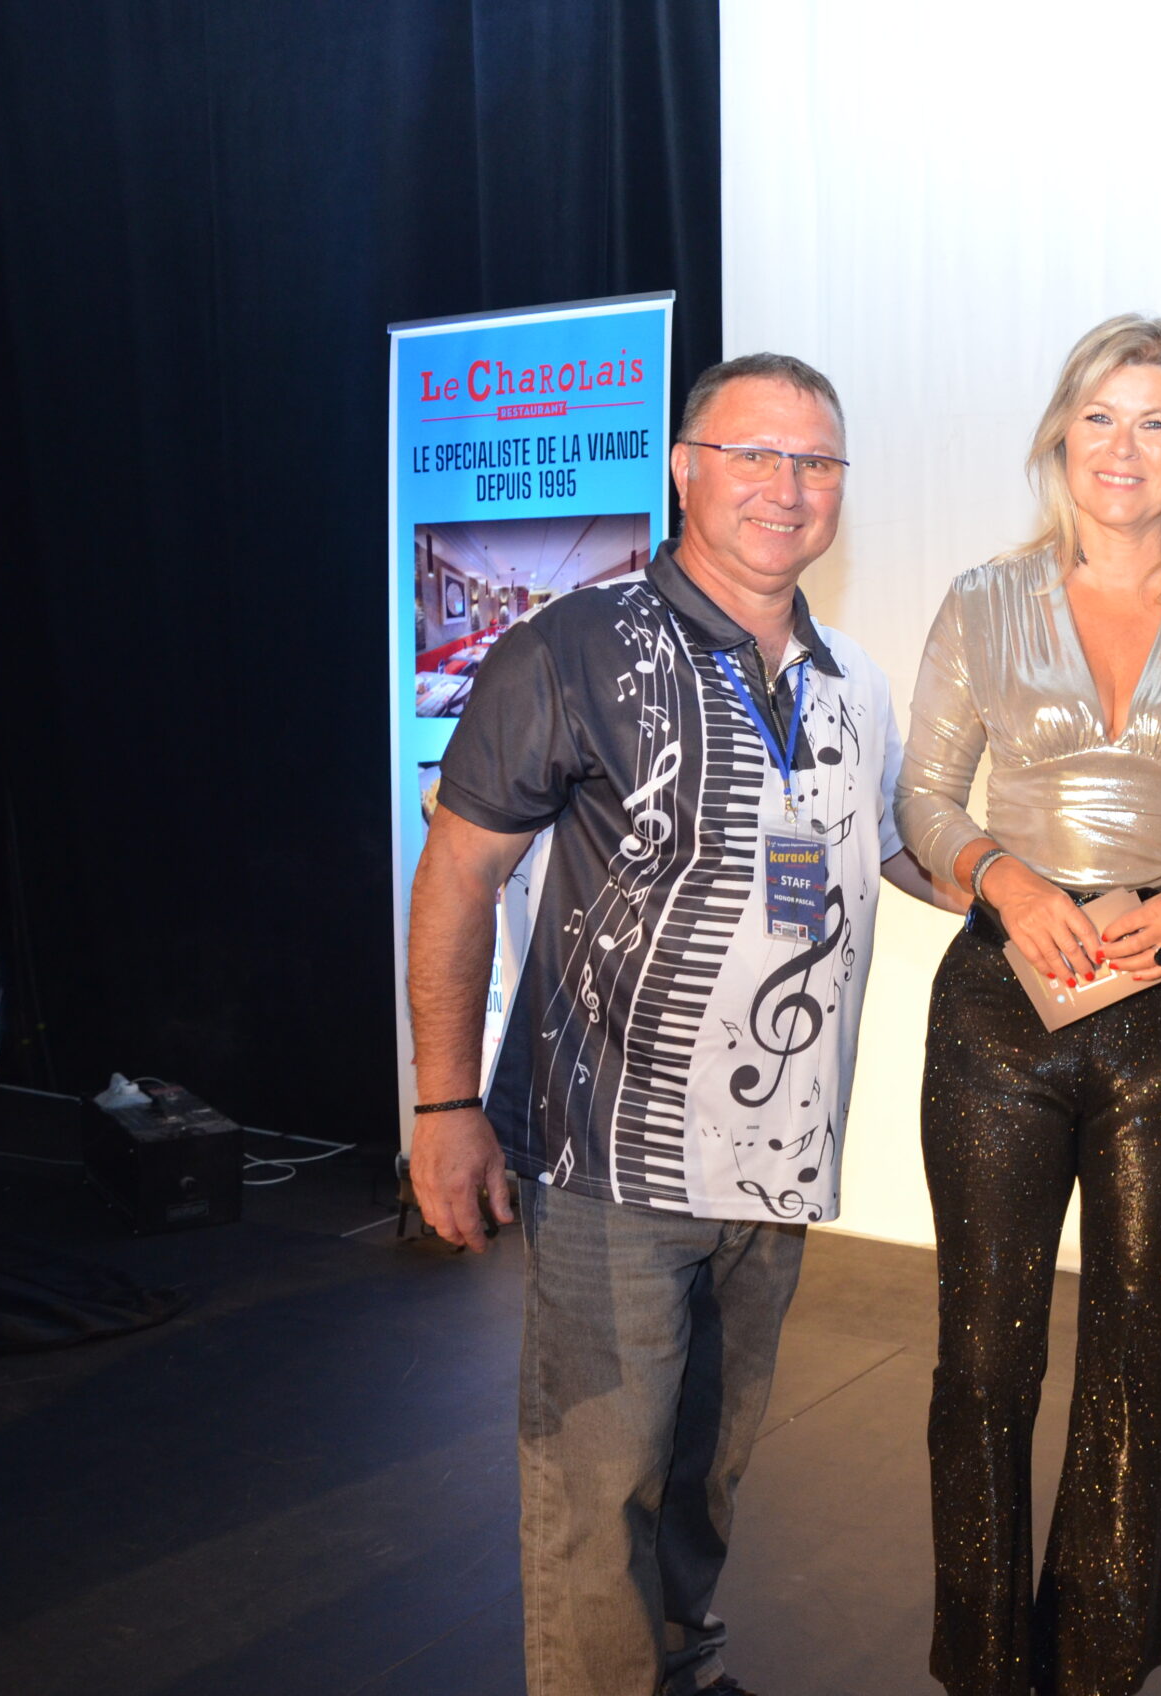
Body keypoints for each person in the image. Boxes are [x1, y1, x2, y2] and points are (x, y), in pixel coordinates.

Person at [407, 352, 941, 1696]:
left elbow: (896, 845)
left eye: (815, 462)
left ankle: (679, 1668)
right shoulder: (571, 649)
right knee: (601, 1483)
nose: (786, 487)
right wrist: (444, 1104)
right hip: (613, 1159)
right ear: (684, 470)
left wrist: (1045, 884)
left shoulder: (852, 681)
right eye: (754, 455)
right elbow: (457, 877)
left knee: (707, 1470)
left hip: (779, 1162)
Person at [895, 315, 1161, 1696]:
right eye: (1101, 417)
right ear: (1062, 435)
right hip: (1001, 1010)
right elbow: (924, 797)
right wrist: (1003, 880)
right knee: (982, 1359)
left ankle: (1099, 1665)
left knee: (1133, 1361)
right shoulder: (983, 601)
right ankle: (984, 1663)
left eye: (1155, 422)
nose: (1125, 447)